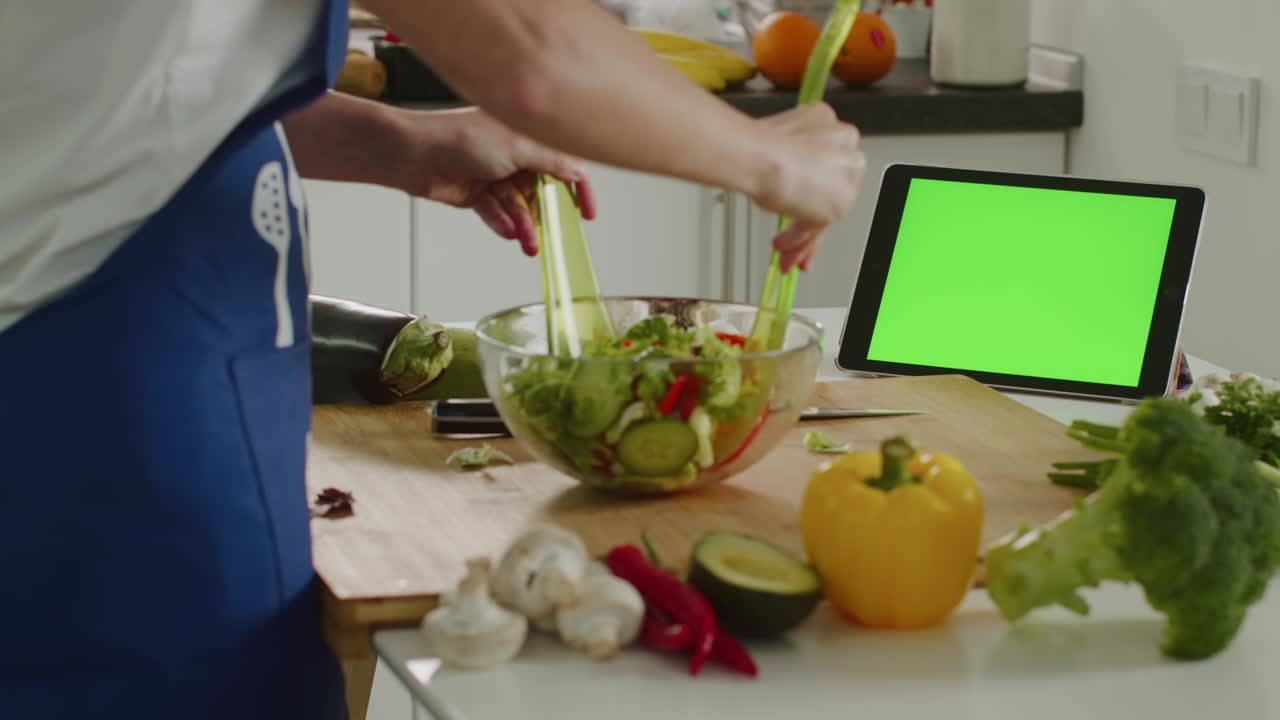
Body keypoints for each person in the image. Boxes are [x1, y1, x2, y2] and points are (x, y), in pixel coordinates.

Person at [0, 1, 866, 718]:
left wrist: (400, 146)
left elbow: (126, 90)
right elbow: (532, 51)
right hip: (98, 454)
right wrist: (774, 157)